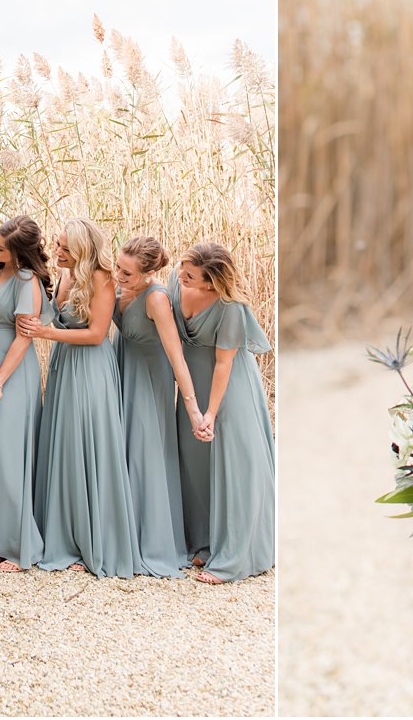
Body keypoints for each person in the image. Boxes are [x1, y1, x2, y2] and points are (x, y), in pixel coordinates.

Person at [22, 216, 141, 577]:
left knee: (85, 444)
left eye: (64, 247)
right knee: (64, 445)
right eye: (57, 245)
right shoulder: (65, 275)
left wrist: (45, 333)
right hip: (63, 367)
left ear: (82, 249)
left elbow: (96, 334)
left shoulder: (103, 279)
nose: (56, 252)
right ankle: (63, 533)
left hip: (90, 370)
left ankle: (91, 538)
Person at [168, 242, 274, 584]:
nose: (181, 277)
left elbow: (224, 365)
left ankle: (235, 557)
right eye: (183, 270)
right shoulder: (176, 282)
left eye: (190, 275)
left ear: (210, 283)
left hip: (229, 389)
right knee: (196, 465)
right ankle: (205, 541)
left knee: (234, 467)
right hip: (193, 387)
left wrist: (210, 412)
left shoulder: (229, 308)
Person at [113, 235, 204, 577]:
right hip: (122, 370)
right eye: (118, 267)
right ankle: (119, 532)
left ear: (148, 273)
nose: (119, 276)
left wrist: (193, 408)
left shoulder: (156, 300)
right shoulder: (119, 288)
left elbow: (177, 357)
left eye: (128, 273)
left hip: (150, 381)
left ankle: (148, 540)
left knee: (144, 452)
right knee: (122, 449)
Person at [0, 215, 52, 572]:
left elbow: (25, 337)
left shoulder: (27, 281)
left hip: (11, 370)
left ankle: (18, 544)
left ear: (20, 252)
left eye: (2, 247)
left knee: (4, 452)